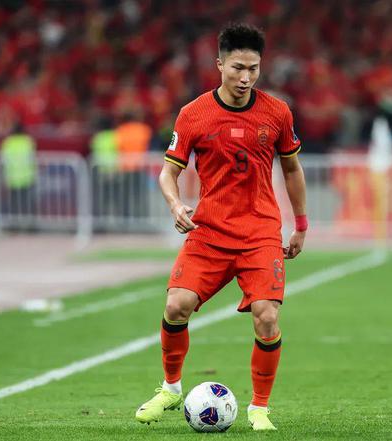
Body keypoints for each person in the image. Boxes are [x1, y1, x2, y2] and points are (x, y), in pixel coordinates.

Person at [135, 23, 307, 431]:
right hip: (210, 231)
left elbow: (292, 169)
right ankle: (171, 389)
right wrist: (175, 204)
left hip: (260, 232)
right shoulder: (193, 114)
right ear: (219, 65)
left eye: (253, 68)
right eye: (238, 68)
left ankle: (259, 408)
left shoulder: (277, 112)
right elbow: (168, 172)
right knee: (176, 306)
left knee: (267, 317)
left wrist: (300, 224)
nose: (246, 77)